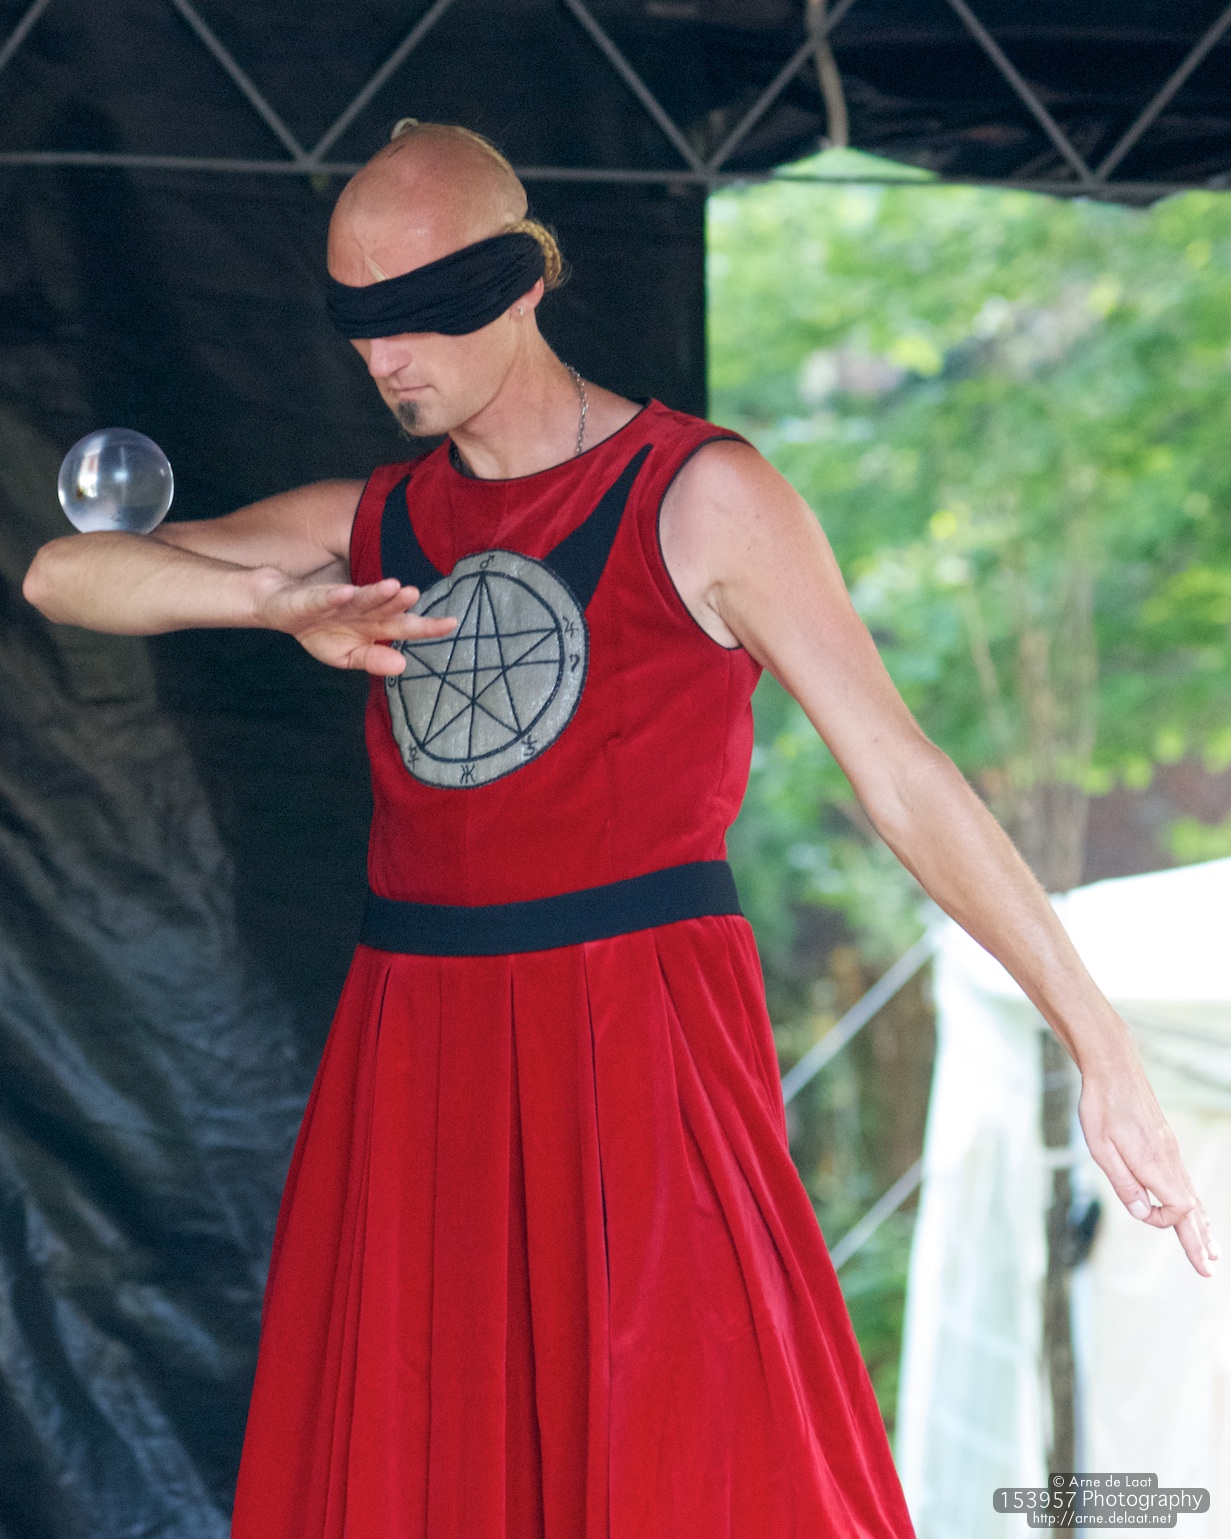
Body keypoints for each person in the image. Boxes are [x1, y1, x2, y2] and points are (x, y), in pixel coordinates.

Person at [23, 121, 1218, 1539]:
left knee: (693, 1454)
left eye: (420, 310)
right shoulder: (373, 520)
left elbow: (902, 773)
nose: (385, 356)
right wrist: (271, 603)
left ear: (524, 282)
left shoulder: (702, 496)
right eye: (357, 321)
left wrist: (1099, 1042)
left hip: (635, 1035)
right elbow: (65, 574)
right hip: (420, 1041)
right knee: (432, 1462)